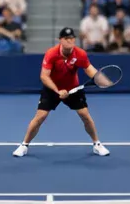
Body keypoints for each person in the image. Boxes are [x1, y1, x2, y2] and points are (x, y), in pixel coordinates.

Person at [14, 27, 111, 157]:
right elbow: (44, 76)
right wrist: (57, 91)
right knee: (40, 116)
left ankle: (97, 144)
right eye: (66, 39)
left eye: (72, 38)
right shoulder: (51, 54)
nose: (69, 41)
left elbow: (90, 70)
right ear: (60, 40)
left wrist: (103, 80)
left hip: (73, 88)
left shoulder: (80, 54)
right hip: (52, 88)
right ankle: (24, 145)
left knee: (85, 115)